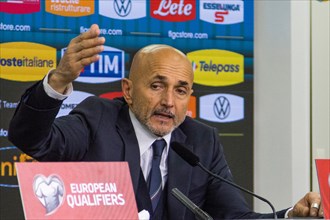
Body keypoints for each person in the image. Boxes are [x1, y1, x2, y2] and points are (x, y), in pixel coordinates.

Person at [8, 24, 323, 219]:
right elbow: (33, 140)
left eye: (181, 90)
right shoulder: (98, 119)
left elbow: (234, 216)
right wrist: (60, 79)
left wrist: (290, 217)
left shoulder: (201, 142)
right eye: (157, 86)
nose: (169, 102)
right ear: (128, 91)